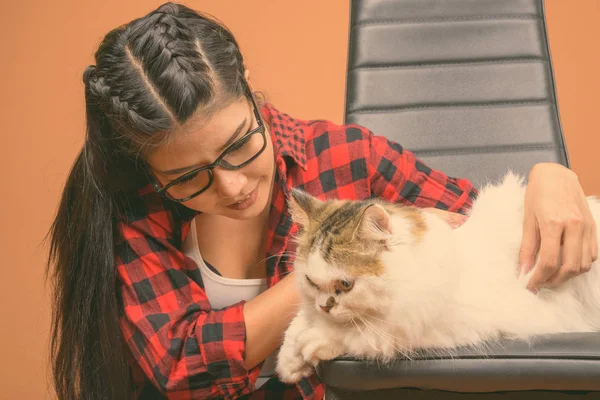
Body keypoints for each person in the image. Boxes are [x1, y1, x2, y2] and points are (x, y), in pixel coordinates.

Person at [46, 3, 598, 400]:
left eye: (240, 146)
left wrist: (547, 178)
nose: (232, 186)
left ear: (251, 94)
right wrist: (323, 276)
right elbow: (183, 368)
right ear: (150, 171)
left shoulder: (347, 157)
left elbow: (470, 235)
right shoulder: (134, 208)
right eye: (191, 178)